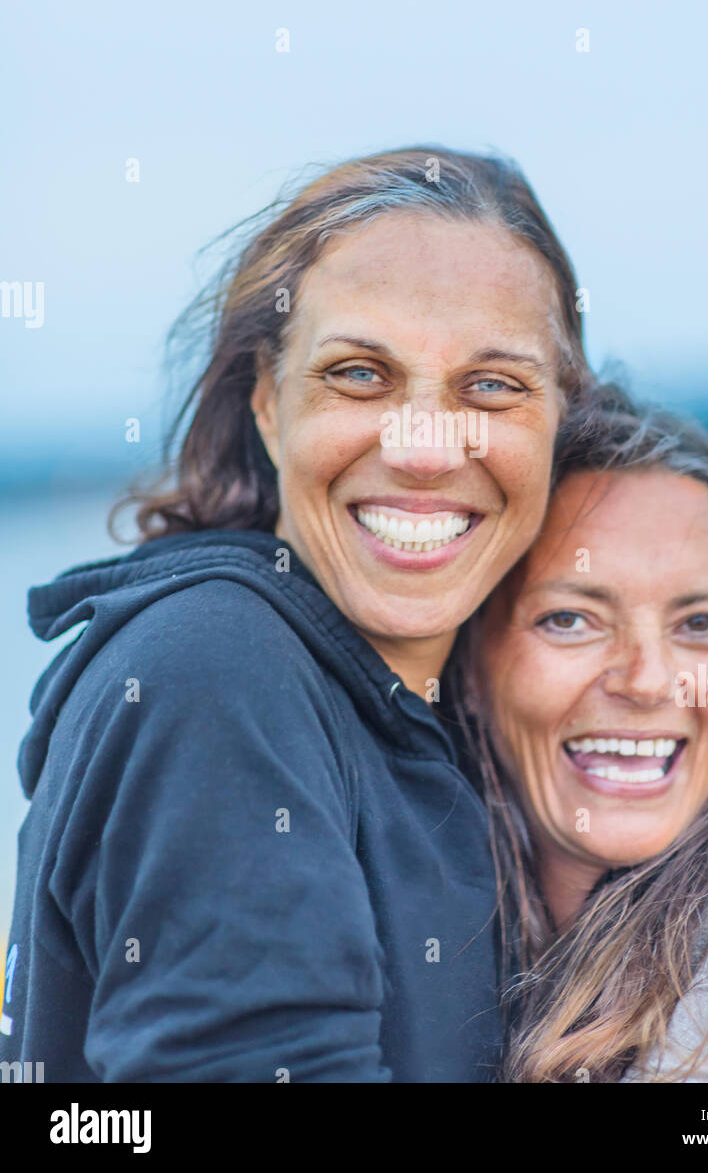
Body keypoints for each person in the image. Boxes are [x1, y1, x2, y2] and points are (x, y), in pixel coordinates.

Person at [2, 145, 587, 1083]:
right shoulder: (217, 673)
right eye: (360, 374)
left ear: (560, 424)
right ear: (268, 403)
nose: (426, 449)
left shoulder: (436, 705)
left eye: (492, 386)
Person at [457, 381, 708, 1082]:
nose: (648, 681)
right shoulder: (442, 925)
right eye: (570, 619)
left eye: (699, 624)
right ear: (468, 664)